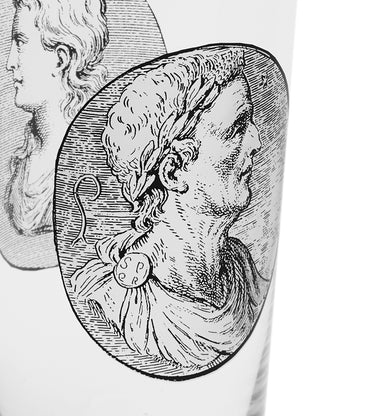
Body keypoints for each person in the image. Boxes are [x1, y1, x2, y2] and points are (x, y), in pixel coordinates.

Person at [72, 47, 269, 369]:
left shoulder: (240, 267)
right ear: (174, 171)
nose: (256, 142)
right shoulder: (111, 300)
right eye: (237, 128)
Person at [5, 0, 109, 236]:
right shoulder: (22, 158)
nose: (10, 63)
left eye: (20, 42)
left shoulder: (91, 162)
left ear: (60, 59)